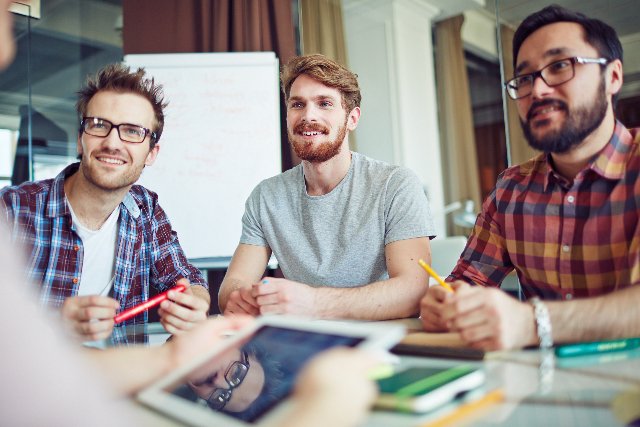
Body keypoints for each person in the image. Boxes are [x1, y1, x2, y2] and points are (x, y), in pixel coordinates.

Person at [420, 5, 639, 351]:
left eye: (560, 66)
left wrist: (533, 323)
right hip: (544, 388)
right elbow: (468, 282)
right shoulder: (512, 188)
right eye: (524, 78)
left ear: (612, 77)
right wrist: (447, 303)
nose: (537, 90)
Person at [0, 61, 210, 342]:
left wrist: (194, 303)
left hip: (120, 380)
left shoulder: (145, 211)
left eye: (133, 131)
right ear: (80, 140)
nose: (113, 142)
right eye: (99, 125)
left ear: (151, 153)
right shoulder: (12, 211)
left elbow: (188, 280)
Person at [220, 54, 435, 320]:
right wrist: (243, 298)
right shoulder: (266, 196)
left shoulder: (396, 185)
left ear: (352, 118)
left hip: (378, 347)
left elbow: (412, 292)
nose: (308, 116)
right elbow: (233, 285)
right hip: (301, 346)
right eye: (297, 104)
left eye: (324, 104)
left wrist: (313, 303)